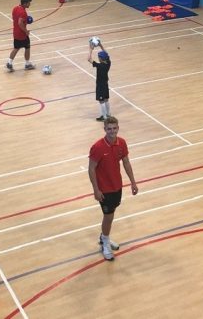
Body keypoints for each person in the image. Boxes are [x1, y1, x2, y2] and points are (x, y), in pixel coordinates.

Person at [88, 116, 138, 261]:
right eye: (109, 129)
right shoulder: (97, 147)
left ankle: (104, 237)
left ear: (118, 128)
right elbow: (91, 169)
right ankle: (105, 241)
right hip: (105, 189)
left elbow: (126, 163)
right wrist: (96, 190)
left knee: (110, 215)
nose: (112, 131)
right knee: (108, 217)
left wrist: (133, 182)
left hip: (117, 186)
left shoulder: (121, 143)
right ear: (104, 129)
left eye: (114, 128)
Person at [6, 0, 35, 72]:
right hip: (22, 34)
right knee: (27, 47)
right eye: (29, 3)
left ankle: (9, 62)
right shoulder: (23, 12)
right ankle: (27, 64)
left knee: (16, 48)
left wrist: (25, 20)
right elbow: (20, 22)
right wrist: (26, 31)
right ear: (25, 3)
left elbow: (15, 19)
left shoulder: (15, 8)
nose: (30, 4)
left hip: (15, 32)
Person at [88, 41, 111, 121]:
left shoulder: (99, 66)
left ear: (100, 59)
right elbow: (106, 53)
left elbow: (89, 59)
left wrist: (90, 49)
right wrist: (101, 45)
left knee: (101, 101)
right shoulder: (108, 63)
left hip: (100, 85)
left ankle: (104, 117)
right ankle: (108, 114)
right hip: (105, 84)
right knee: (106, 99)